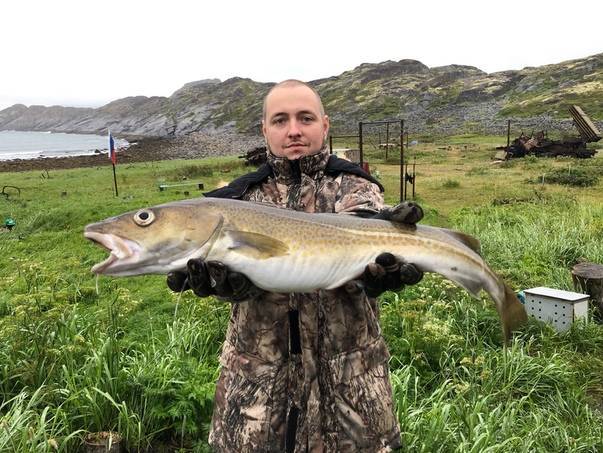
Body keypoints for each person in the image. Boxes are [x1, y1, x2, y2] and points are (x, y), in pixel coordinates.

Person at [167, 80, 424, 452]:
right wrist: (232, 284)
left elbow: (363, 216)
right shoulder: (238, 199)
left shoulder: (355, 186)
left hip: (350, 391)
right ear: (265, 129)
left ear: (324, 124)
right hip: (257, 393)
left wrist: (380, 258)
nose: (293, 130)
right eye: (280, 120)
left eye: (305, 118)